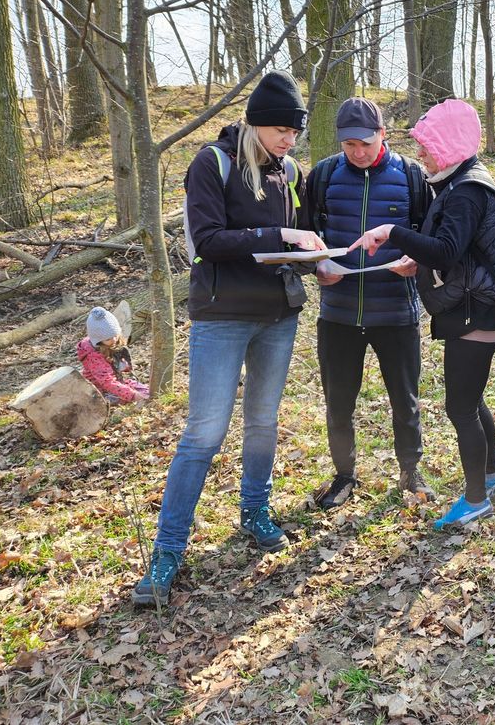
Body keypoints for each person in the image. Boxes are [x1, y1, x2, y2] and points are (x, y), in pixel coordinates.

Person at [133, 71, 326, 608]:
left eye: (295, 131)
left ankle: (254, 510)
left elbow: (296, 243)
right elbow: (209, 241)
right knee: (204, 433)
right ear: (256, 124)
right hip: (221, 316)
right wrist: (280, 234)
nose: (289, 139)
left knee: (263, 421)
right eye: (281, 130)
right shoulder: (211, 163)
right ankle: (167, 550)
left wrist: (319, 262)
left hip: (278, 316)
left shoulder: (290, 172)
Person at [347, 99, 495, 530]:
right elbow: (457, 250)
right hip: (474, 308)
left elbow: (446, 251)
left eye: (427, 145)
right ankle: (493, 474)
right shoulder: (460, 183)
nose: (420, 153)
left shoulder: (467, 191)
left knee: (461, 408)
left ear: (449, 144)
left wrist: (393, 233)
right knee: (471, 401)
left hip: (477, 312)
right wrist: (417, 257)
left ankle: (475, 499)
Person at [307, 96, 435, 508]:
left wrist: (417, 260)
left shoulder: (412, 176)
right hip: (338, 313)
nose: (358, 152)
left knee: (405, 398)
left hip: (396, 311)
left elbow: (432, 238)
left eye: (366, 142)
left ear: (383, 134)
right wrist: (317, 265)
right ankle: (344, 476)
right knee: (338, 401)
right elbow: (305, 234)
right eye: (349, 144)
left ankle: (410, 471)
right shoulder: (323, 175)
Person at [77, 306, 149, 404]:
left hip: (117, 381)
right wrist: (133, 396)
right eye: (108, 339)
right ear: (98, 341)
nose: (114, 340)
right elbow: (107, 382)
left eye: (115, 335)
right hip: (101, 391)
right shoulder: (93, 356)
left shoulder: (111, 344)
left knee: (146, 391)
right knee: (136, 396)